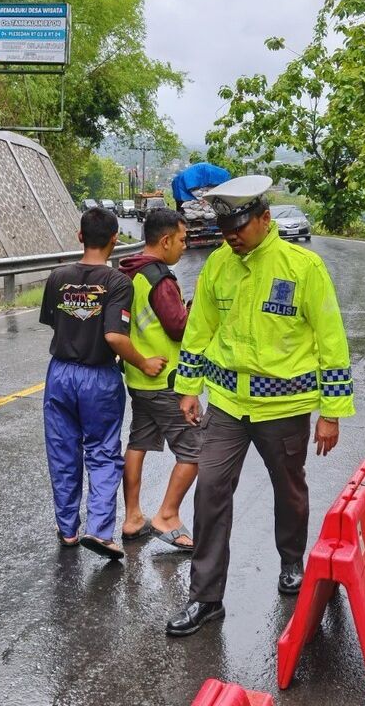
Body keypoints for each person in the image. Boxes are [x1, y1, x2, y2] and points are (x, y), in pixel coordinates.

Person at [164, 176, 355, 637]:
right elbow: (199, 332)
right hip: (228, 405)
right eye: (225, 228)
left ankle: (291, 560)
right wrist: (188, 387)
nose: (231, 236)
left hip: (284, 407)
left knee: (289, 490)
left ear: (264, 219)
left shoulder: (302, 267)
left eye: (239, 227)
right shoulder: (218, 266)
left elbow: (332, 341)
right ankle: (206, 597)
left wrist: (331, 411)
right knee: (210, 491)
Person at [39, 206, 166, 561]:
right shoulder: (117, 283)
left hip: (60, 373)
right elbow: (114, 335)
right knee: (103, 451)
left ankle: (67, 530)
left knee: (62, 452)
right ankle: (98, 530)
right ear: (114, 240)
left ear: (80, 236)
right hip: (98, 376)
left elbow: (54, 321)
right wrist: (143, 361)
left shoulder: (57, 276)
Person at [117, 208, 197, 551]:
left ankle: (133, 516)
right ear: (165, 240)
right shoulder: (160, 279)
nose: (184, 246)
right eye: (181, 239)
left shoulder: (130, 272)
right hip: (166, 379)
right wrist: (193, 312)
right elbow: (178, 327)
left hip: (139, 378)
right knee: (197, 450)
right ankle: (168, 514)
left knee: (138, 444)